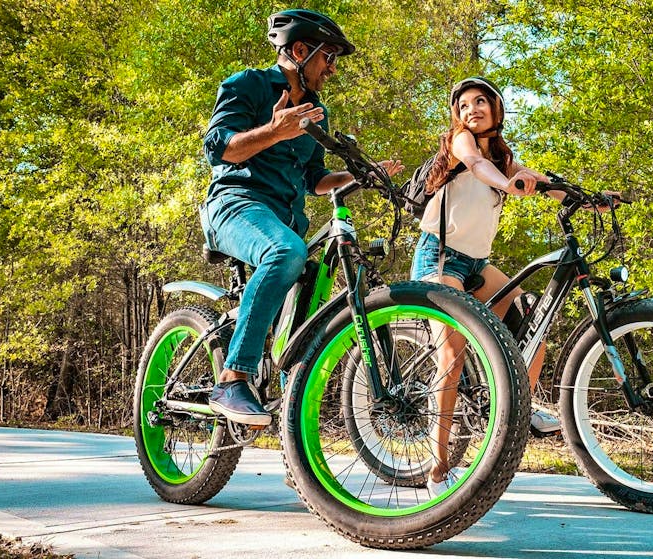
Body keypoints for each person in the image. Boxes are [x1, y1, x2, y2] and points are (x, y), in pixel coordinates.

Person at [200, 9, 402, 426]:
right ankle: (232, 378)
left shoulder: (315, 112)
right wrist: (273, 131)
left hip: (284, 220)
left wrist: (362, 175)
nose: (332, 69)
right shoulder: (249, 85)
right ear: (298, 50)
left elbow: (314, 179)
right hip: (235, 204)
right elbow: (218, 149)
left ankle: (293, 432)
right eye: (328, 57)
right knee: (286, 253)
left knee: (307, 298)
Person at [409, 76, 564, 496]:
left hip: (477, 263)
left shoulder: (501, 154)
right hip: (440, 257)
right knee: (451, 355)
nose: (470, 110)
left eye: (480, 102)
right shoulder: (462, 143)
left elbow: (538, 177)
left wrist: (579, 196)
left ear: (496, 109)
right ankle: (438, 470)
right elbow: (477, 167)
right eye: (462, 105)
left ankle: (516, 412)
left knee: (534, 330)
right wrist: (505, 182)